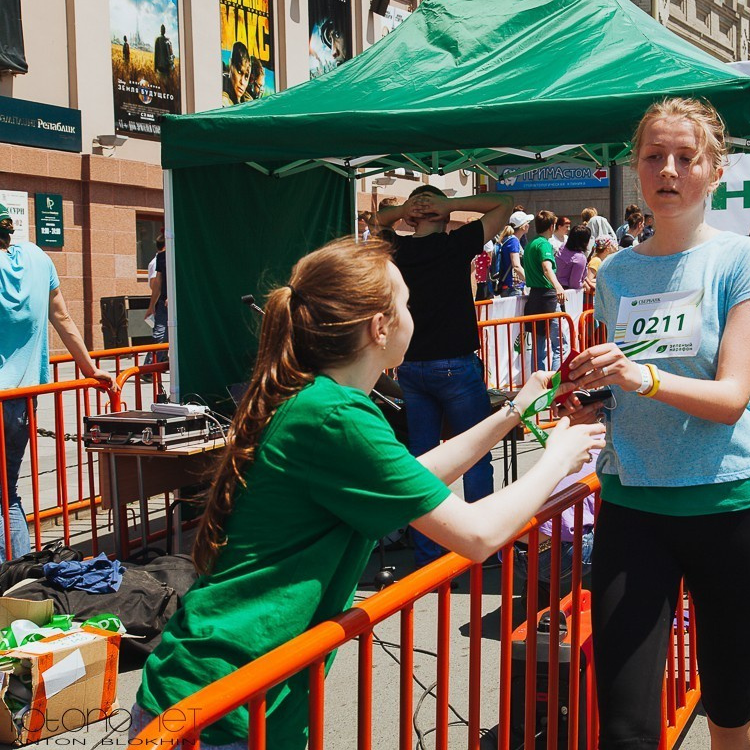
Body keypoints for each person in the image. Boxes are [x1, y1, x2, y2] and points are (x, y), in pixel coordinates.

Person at [132, 237, 605, 750]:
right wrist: (559, 459)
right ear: (379, 328)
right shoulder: (336, 415)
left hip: (234, 695)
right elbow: (475, 534)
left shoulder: (320, 399)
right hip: (220, 705)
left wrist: (516, 410)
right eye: (405, 303)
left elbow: (410, 480)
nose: (411, 315)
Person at [564, 98, 750, 749]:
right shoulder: (620, 271)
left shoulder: (744, 261)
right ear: (635, 167)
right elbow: (622, 385)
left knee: (729, 708)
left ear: (714, 171)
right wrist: (591, 398)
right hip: (635, 508)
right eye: (654, 156)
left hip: (731, 508)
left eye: (686, 158)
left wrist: (642, 378)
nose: (668, 170)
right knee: (627, 725)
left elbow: (730, 396)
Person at [376, 186, 515, 566]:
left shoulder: (396, 249)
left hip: (411, 366)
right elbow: (503, 204)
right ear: (440, 214)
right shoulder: (456, 244)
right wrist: (449, 205)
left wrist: (407, 208)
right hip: (455, 364)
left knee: (422, 461)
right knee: (474, 454)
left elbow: (377, 218)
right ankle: (480, 548)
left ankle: (428, 552)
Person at [1, 215, 112, 560]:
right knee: (8, 493)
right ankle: (17, 580)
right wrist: (90, 368)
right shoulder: (38, 257)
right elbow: (62, 318)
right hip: (24, 400)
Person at [522, 210, 569, 371]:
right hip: (547, 297)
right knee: (561, 345)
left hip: (534, 297)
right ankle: (557, 384)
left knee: (539, 346)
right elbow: (547, 267)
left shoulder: (530, 245)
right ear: (552, 226)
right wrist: (558, 287)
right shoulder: (543, 244)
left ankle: (539, 382)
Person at [144, 240, 170, 364]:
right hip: (163, 304)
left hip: (177, 302)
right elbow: (157, 283)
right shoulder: (161, 257)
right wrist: (151, 306)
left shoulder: (182, 254)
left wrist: (174, 296)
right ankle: (149, 368)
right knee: (159, 335)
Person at [498, 213, 532, 295]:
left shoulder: (508, 239)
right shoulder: (514, 241)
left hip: (510, 286)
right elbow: (516, 266)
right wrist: (531, 282)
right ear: (523, 227)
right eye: (527, 222)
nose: (529, 225)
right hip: (513, 287)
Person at [556, 224, 591, 292]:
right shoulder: (580, 258)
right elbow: (574, 284)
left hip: (555, 288)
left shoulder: (563, 247)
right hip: (567, 294)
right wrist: (583, 284)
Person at [221, 42, 252, 107]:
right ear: (230, 64)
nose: (242, 82)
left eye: (246, 76)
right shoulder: (223, 100)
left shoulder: (249, 101)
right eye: (239, 72)